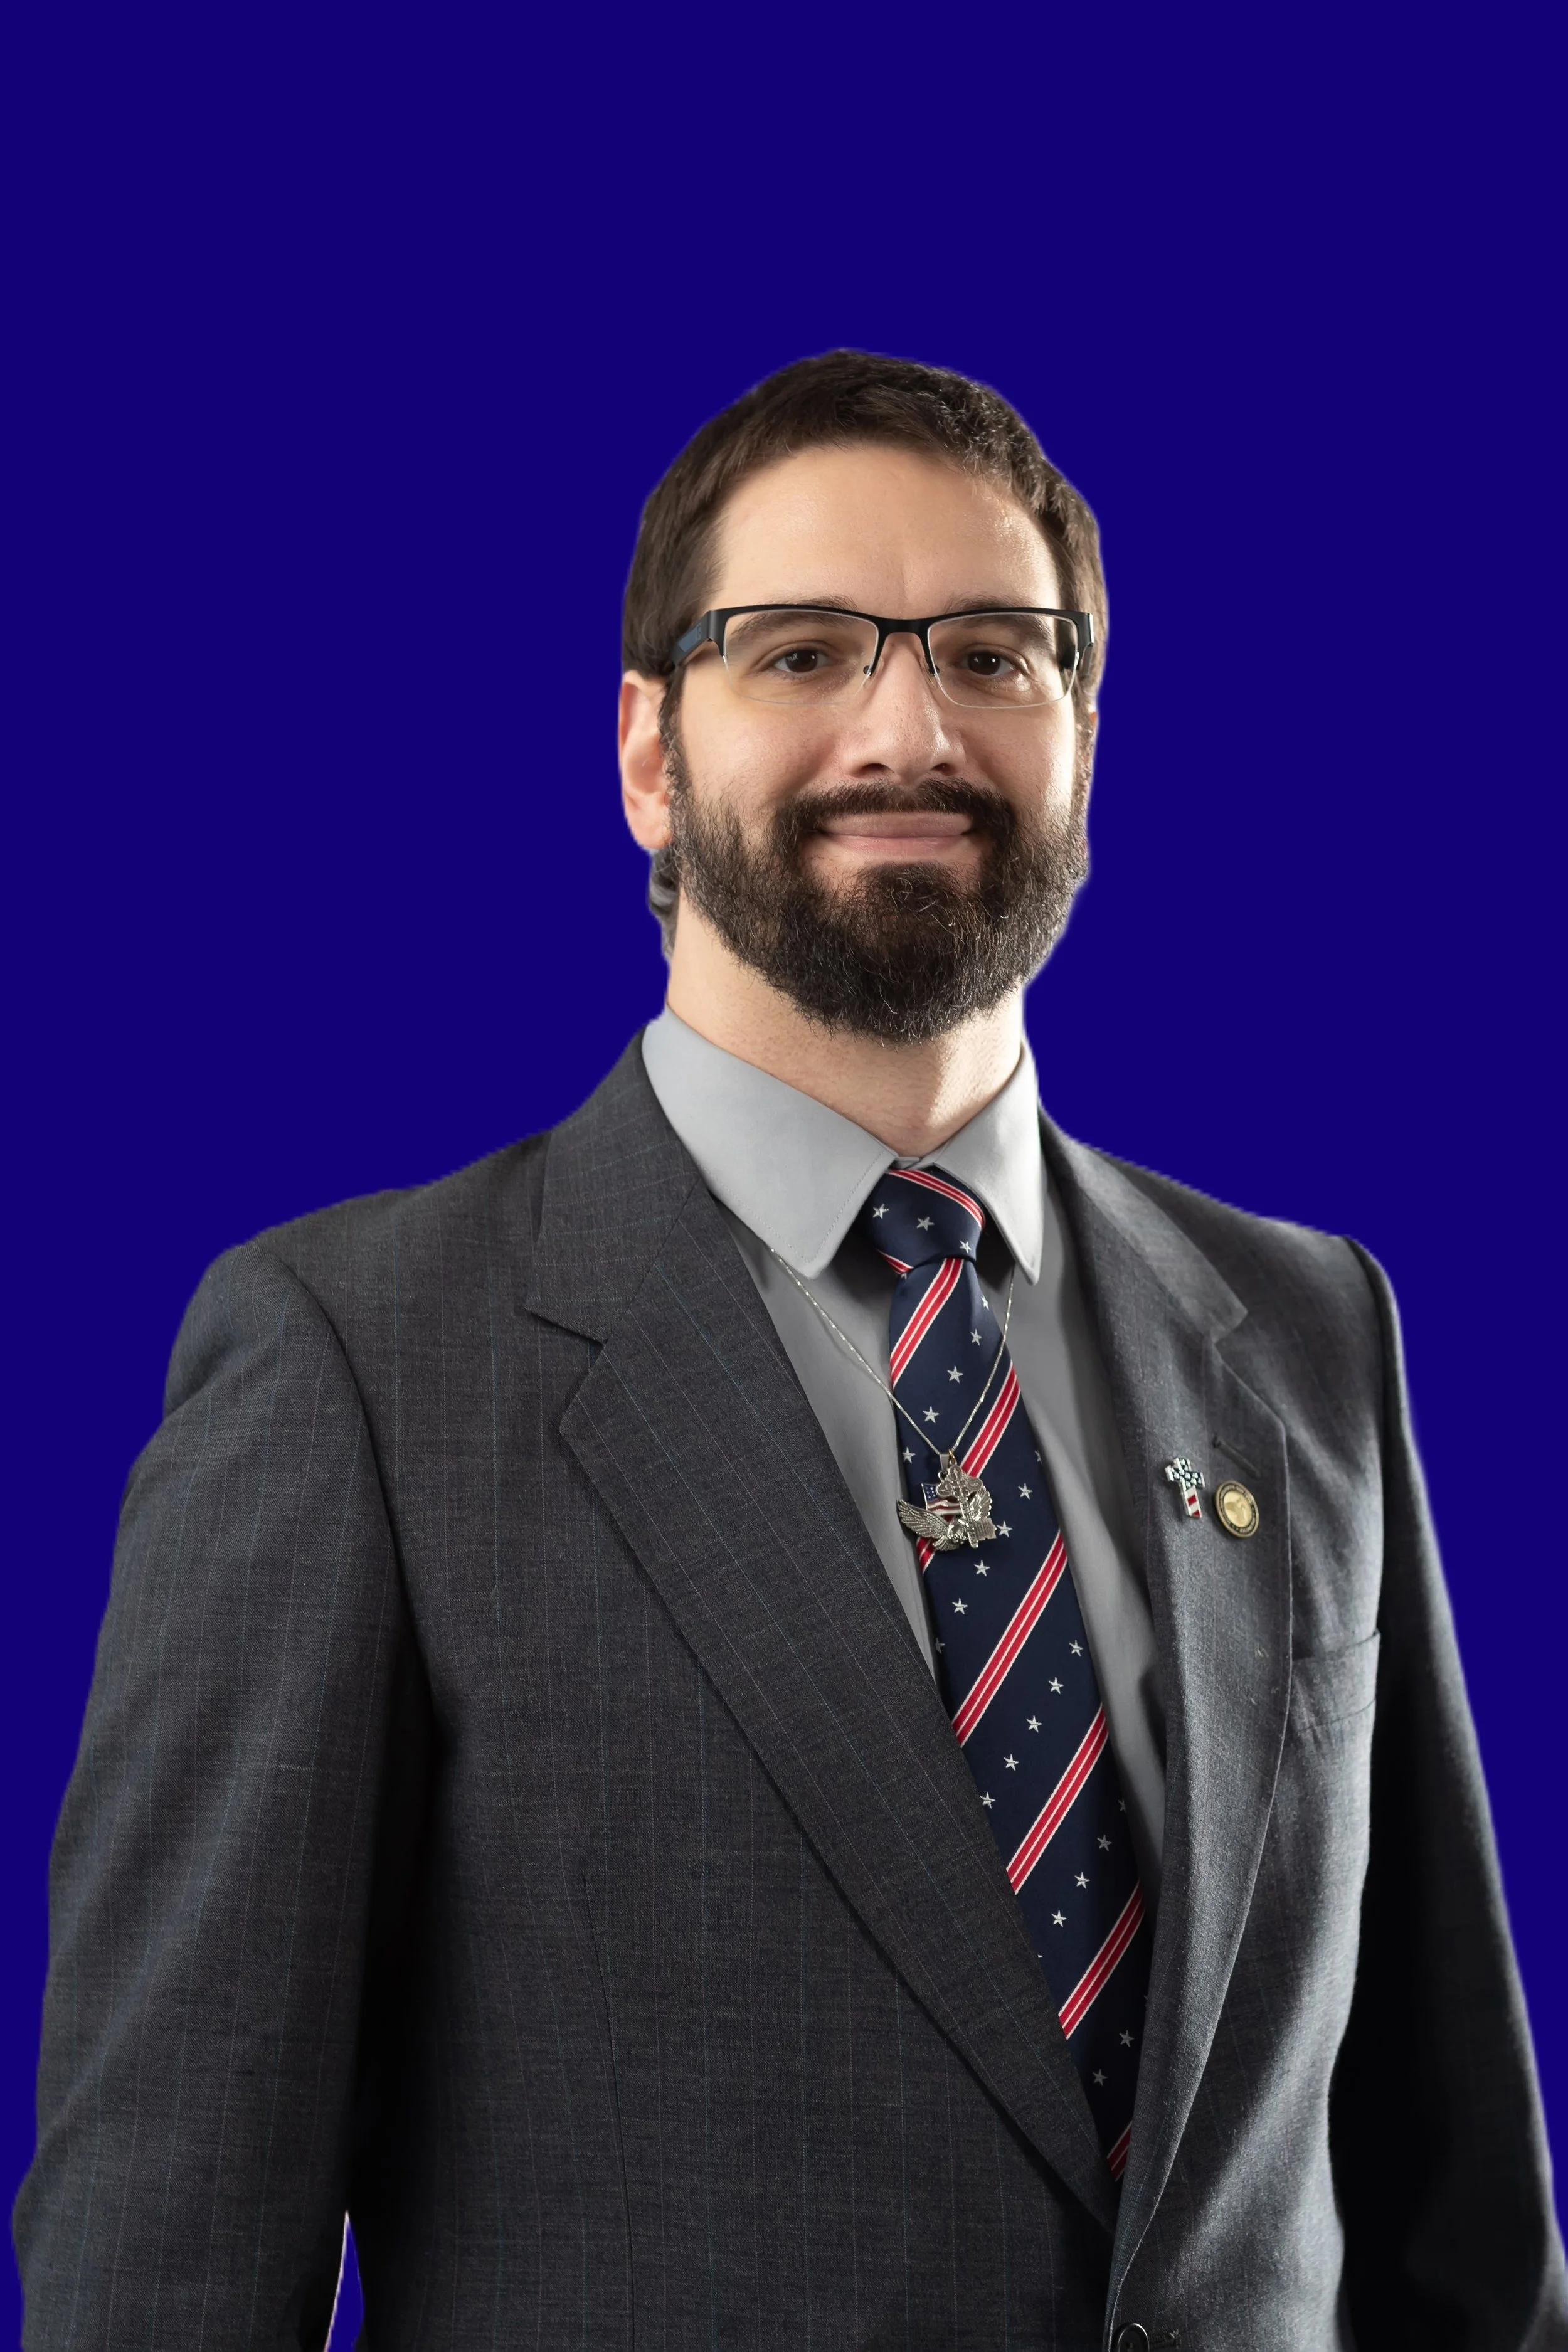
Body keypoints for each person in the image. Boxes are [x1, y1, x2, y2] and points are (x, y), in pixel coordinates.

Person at [16, 351, 1564, 2351]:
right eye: (807, 648)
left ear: (1084, 729)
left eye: (995, 654)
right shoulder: (355, 1365)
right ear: (650, 753)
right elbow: (163, 2267)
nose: (909, 725)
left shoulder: (1305, 1329)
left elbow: (1456, 2222)